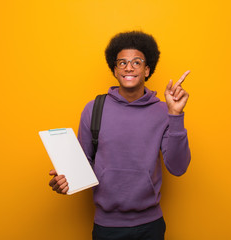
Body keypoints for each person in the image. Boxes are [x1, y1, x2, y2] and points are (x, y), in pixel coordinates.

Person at [48, 31, 191, 240]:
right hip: (106, 226)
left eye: (137, 62)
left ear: (147, 70)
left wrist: (175, 115)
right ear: (115, 70)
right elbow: (82, 164)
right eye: (122, 62)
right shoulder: (94, 108)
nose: (129, 67)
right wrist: (65, 181)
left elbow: (178, 168)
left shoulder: (163, 111)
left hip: (150, 225)